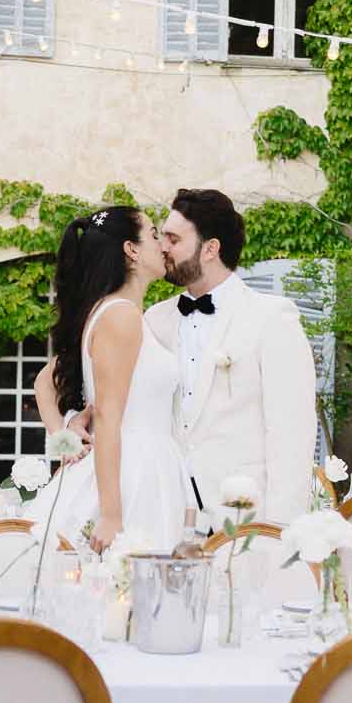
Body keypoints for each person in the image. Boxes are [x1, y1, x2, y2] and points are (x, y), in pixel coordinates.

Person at [40, 188, 318, 532]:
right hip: (164, 502)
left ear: (211, 249)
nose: (163, 247)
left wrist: (280, 530)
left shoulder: (272, 319)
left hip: (242, 517)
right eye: (160, 236)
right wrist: (68, 427)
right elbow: (60, 373)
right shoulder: (151, 319)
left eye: (172, 238)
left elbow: (293, 436)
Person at [28, 205, 191, 553]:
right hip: (133, 470)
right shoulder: (121, 316)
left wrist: (63, 435)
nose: (162, 244)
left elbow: (45, 381)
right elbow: (108, 416)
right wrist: (112, 513)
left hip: (147, 462)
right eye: (153, 234)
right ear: (131, 250)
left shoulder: (115, 312)